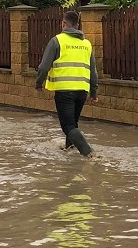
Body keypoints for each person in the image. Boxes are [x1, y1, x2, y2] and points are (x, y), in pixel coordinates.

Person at [35, 10, 97, 157]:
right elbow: (93, 71)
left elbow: (43, 67)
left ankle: (88, 153)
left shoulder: (57, 41)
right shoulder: (86, 44)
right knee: (73, 123)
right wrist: (94, 92)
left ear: (63, 24)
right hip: (82, 91)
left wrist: (38, 83)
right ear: (77, 25)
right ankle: (69, 150)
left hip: (64, 91)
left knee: (67, 125)